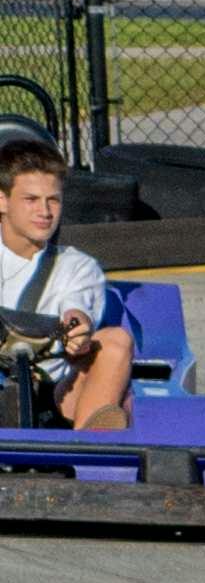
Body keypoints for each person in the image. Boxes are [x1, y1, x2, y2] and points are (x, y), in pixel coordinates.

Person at [0, 147, 134, 434]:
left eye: (53, 200)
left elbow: (76, 308)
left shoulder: (76, 266)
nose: (45, 212)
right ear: (2, 200)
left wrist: (76, 330)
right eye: (31, 200)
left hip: (52, 396)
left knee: (114, 341)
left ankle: (91, 447)